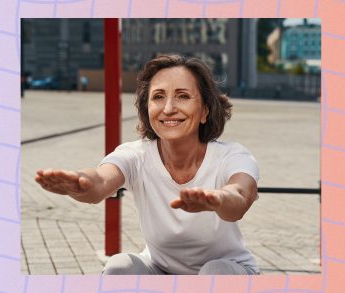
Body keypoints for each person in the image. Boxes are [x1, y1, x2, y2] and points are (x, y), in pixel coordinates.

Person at [35, 55, 260, 275]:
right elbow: (101, 180)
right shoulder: (136, 154)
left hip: (228, 268)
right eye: (158, 97)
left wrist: (219, 199)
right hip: (160, 269)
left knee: (215, 272)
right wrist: (81, 184)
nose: (168, 108)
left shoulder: (232, 155)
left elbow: (240, 196)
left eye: (182, 96)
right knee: (119, 266)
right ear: (147, 109)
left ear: (204, 112)